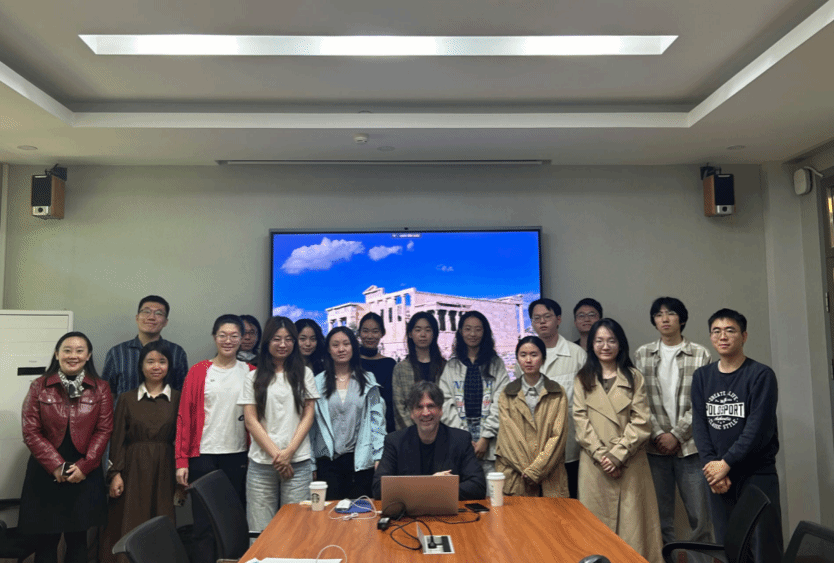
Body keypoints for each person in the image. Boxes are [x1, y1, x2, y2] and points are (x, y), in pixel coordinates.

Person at [691, 309, 782, 563]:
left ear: (744, 336)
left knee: (764, 547)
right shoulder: (702, 377)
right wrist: (712, 467)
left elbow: (758, 428)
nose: (723, 336)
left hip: (756, 474)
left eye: (730, 330)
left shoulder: (761, 375)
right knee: (730, 546)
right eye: (716, 331)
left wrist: (726, 463)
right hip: (720, 478)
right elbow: (699, 424)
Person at [573, 319, 662, 563]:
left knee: (634, 533)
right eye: (599, 341)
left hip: (629, 464)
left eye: (611, 340)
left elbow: (642, 422)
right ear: (591, 345)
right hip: (595, 466)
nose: (605, 346)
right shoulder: (582, 378)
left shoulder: (634, 377)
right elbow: (580, 422)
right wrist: (603, 456)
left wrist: (617, 455)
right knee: (596, 531)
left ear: (620, 344)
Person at [19, 332, 113, 563]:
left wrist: (85, 466)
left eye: (80, 351)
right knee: (46, 541)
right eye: (67, 350)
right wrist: (55, 465)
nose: (73, 355)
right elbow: (30, 430)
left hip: (84, 471)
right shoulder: (39, 386)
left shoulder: (100, 388)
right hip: (46, 470)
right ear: (57, 354)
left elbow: (104, 430)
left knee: (78, 540)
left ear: (88, 355)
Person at [633, 297, 713, 548]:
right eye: (658, 314)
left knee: (700, 518)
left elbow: (703, 402)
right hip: (654, 448)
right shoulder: (642, 354)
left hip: (691, 448)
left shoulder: (700, 354)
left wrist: (677, 435)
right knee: (659, 518)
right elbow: (639, 401)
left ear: (682, 318)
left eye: (670, 313)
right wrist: (659, 434)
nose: (665, 319)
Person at [175, 314, 253, 563]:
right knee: (203, 522)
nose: (228, 340)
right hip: (203, 455)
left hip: (239, 455)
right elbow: (184, 417)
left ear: (242, 338)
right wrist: (181, 461)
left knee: (234, 519)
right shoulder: (199, 371)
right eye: (223, 335)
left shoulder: (251, 372)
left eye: (234, 336)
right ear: (214, 337)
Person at [99, 341, 181, 563]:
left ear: (169, 366)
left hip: (165, 467)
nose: (156, 366)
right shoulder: (127, 398)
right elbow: (117, 439)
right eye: (150, 361)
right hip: (132, 468)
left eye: (162, 361)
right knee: (130, 517)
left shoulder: (178, 398)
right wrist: (115, 473)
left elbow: (183, 437)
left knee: (161, 518)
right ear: (141, 366)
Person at [238, 316, 319, 533]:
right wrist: (278, 456)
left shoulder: (305, 374)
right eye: (276, 339)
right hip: (261, 464)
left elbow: (308, 415)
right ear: (267, 342)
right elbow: (251, 421)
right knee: (260, 529)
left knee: (296, 529)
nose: (283, 344)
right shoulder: (253, 377)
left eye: (288, 339)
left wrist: (289, 452)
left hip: (297, 462)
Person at [515, 298, 586, 498]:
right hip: (533, 450)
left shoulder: (577, 355)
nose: (542, 322)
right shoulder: (524, 357)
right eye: (536, 318)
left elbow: (587, 403)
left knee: (569, 506)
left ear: (558, 319)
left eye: (547, 317)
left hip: (569, 449)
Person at [373, 381, 486, 500]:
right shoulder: (394, 441)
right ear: (412, 413)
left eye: (431, 406)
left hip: (446, 510)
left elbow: (478, 486)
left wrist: (427, 489)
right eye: (419, 407)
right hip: (409, 511)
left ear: (441, 410)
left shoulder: (461, 439)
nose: (426, 413)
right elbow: (378, 488)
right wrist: (432, 484)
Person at [309, 326, 385, 500]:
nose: (341, 349)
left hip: (360, 460)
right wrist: (312, 463)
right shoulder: (317, 382)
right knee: (330, 512)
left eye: (346, 344)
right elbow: (311, 427)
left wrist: (378, 456)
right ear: (328, 349)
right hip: (327, 461)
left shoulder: (368, 380)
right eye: (335, 345)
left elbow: (377, 422)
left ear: (354, 347)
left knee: (361, 511)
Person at [439, 310, 510, 476]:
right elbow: (445, 403)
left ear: (485, 332)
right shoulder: (452, 366)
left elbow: (502, 400)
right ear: (460, 332)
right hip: (459, 437)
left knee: (492, 488)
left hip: (492, 439)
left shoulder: (496, 364)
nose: (473, 334)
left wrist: (486, 437)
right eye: (468, 329)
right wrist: (464, 437)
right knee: (463, 487)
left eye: (478, 329)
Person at [496, 336, 569, 497]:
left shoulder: (557, 392)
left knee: (553, 514)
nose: (528, 360)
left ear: (543, 358)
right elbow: (508, 438)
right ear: (517, 359)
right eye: (523, 355)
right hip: (517, 476)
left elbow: (558, 436)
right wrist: (529, 471)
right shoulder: (507, 393)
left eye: (534, 354)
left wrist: (536, 470)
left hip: (551, 477)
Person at [102, 295, 189, 394]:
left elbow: (183, 392)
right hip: (124, 404)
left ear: (165, 322)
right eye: (146, 311)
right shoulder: (117, 353)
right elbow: (106, 392)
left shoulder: (177, 352)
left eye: (159, 313)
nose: (151, 317)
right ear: (137, 318)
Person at [391, 312, 447, 430]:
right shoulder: (400, 368)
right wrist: (417, 433)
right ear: (410, 334)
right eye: (418, 330)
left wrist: (438, 432)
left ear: (434, 334)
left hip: (442, 432)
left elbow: (448, 403)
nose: (423, 334)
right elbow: (399, 407)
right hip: (410, 434)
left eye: (428, 330)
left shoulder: (445, 367)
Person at [358, 312, 397, 433]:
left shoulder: (389, 364)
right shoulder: (351, 362)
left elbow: (392, 402)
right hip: (355, 427)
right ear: (359, 333)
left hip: (383, 427)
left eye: (375, 331)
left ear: (382, 333)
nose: (370, 336)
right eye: (365, 331)